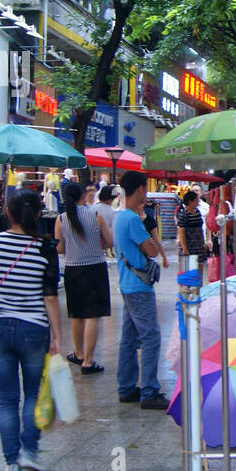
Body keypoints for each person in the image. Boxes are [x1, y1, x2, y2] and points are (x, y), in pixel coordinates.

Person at [0, 188, 62, 471]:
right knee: (32, 393)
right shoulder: (45, 249)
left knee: (7, 398)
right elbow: (50, 298)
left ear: (7, 213)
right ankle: (29, 452)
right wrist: (58, 336)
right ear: (37, 214)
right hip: (34, 329)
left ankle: (11, 463)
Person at [114, 170, 167, 410]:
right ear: (138, 190)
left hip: (127, 284)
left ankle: (126, 387)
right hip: (139, 287)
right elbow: (152, 250)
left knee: (129, 338)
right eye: (145, 189)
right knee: (151, 337)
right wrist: (146, 227)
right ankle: (149, 391)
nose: (146, 193)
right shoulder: (133, 219)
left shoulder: (119, 217)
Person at [56, 181, 112, 373]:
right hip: (95, 268)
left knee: (76, 314)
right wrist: (97, 246)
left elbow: (59, 248)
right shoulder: (95, 216)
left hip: (72, 269)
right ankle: (88, 361)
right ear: (82, 196)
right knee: (93, 315)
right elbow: (109, 241)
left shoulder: (61, 219)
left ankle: (78, 353)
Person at [175, 189, 210, 269]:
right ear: (191, 201)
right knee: (189, 268)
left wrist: (203, 242)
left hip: (198, 245)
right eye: (196, 200)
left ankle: (199, 281)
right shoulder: (183, 214)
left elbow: (200, 228)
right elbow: (181, 231)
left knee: (199, 266)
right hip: (189, 245)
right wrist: (185, 248)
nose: (198, 201)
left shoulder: (197, 212)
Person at [93, 184, 118, 258]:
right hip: (104, 243)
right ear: (110, 200)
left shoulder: (90, 209)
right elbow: (114, 234)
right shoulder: (113, 211)